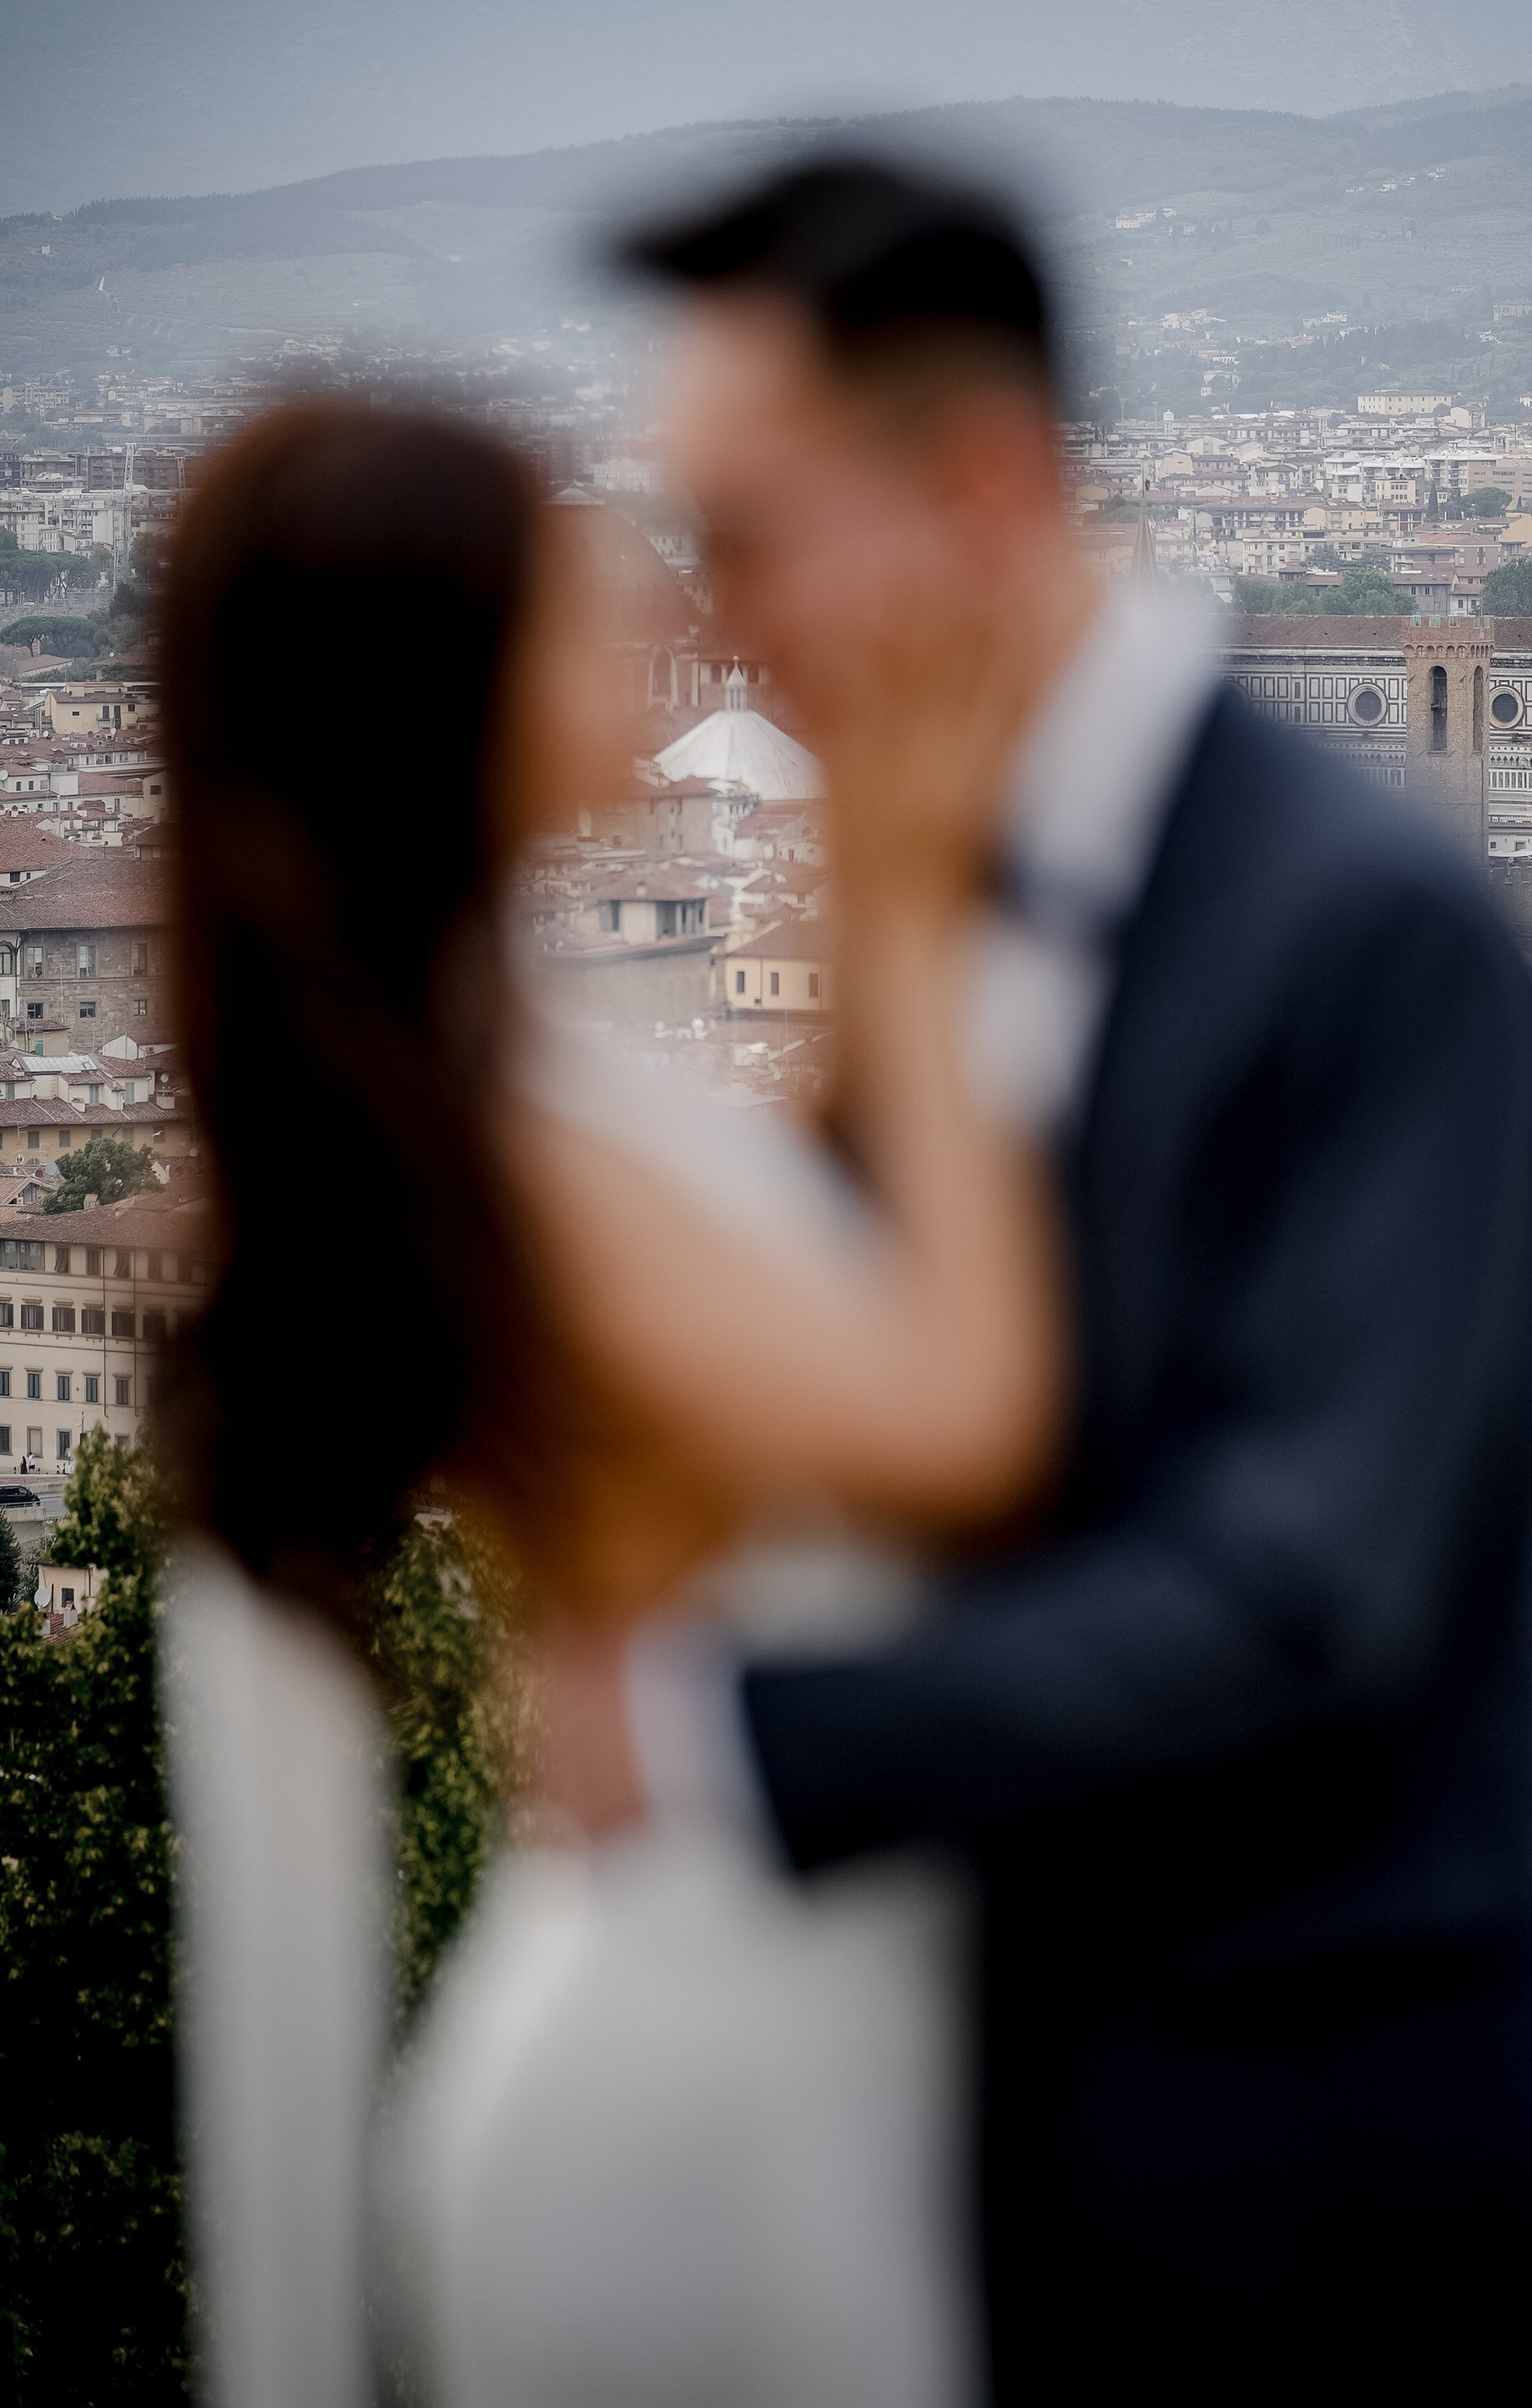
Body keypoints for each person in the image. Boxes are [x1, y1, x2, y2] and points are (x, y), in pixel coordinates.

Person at [557, 154, 1532, 2405]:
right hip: (1036, 2177)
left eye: (753, 532)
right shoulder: (912, 882)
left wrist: (723, 1746)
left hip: (1369, 2209)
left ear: (982, 485)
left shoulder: (1372, 921)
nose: (715, 615)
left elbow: (1307, 1587)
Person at [154, 401, 1059, 2408]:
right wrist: (906, 907)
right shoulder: (520, 1133)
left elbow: (792, 1303)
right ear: (450, 695)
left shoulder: (510, 1072)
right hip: (682, 2087)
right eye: (586, 605)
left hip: (760, 2011)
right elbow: (967, 1417)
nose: (656, 618)